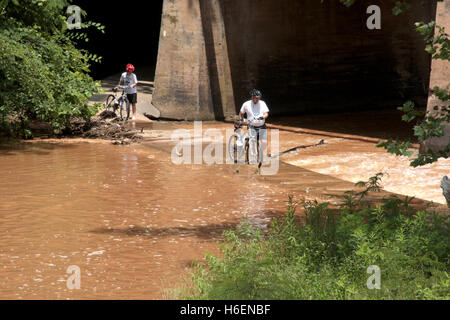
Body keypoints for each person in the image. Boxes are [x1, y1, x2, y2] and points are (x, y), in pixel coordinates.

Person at [239, 89, 270, 158]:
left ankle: (261, 154)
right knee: (254, 143)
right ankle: (257, 157)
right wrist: (241, 121)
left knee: (264, 142)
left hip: (262, 126)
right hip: (252, 126)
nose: (257, 99)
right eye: (256, 98)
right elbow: (241, 113)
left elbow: (266, 113)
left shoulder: (262, 103)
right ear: (252, 97)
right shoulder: (246, 104)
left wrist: (263, 117)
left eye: (258, 98)